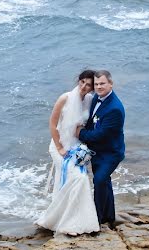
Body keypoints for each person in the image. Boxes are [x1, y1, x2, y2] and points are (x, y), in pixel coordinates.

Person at [35, 70, 100, 235]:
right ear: (78, 81)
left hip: (77, 147)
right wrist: (60, 148)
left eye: (88, 85)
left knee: (81, 179)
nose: (84, 87)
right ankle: (61, 219)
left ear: (92, 88)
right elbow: (52, 124)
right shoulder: (65, 98)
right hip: (60, 146)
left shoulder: (90, 100)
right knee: (77, 178)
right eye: (82, 82)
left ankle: (80, 221)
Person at [76, 70, 125, 229]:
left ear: (111, 83)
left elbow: (100, 134)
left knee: (99, 180)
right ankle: (109, 216)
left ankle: (96, 220)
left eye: (102, 83)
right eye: (96, 84)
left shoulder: (115, 109)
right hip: (98, 151)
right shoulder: (97, 97)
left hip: (111, 153)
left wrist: (80, 133)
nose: (98, 87)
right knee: (104, 181)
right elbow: (92, 122)